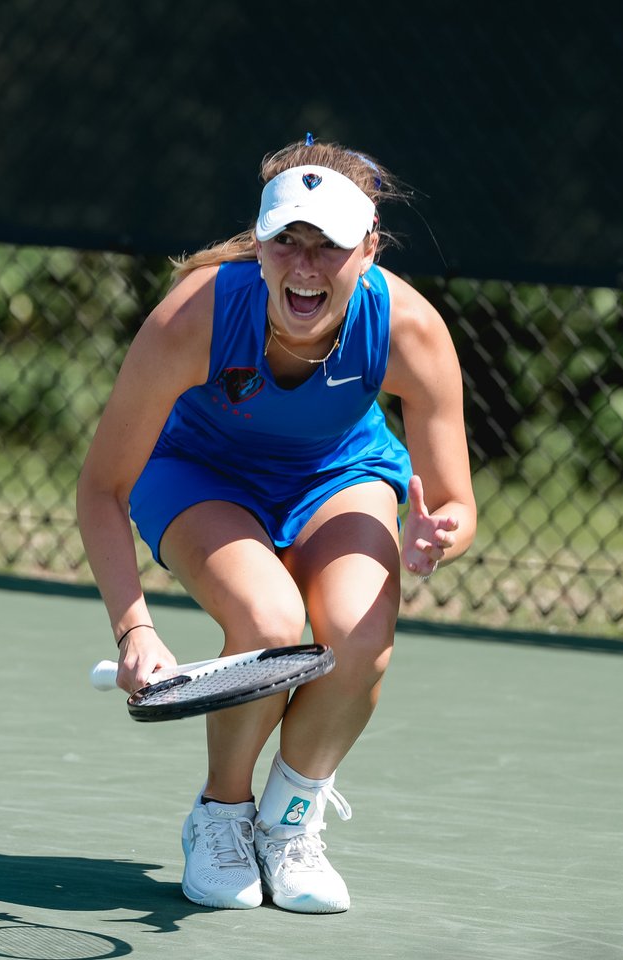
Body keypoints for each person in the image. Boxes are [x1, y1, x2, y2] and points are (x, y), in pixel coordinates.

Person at [76, 136, 476, 914]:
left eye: (327, 246)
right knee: (269, 619)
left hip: (340, 475)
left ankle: (290, 826)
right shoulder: (193, 316)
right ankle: (221, 817)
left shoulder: (409, 330)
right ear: (258, 245)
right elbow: (101, 486)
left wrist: (442, 534)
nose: (304, 266)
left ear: (368, 250)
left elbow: (456, 503)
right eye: (286, 240)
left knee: (361, 631)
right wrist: (134, 631)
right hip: (197, 474)